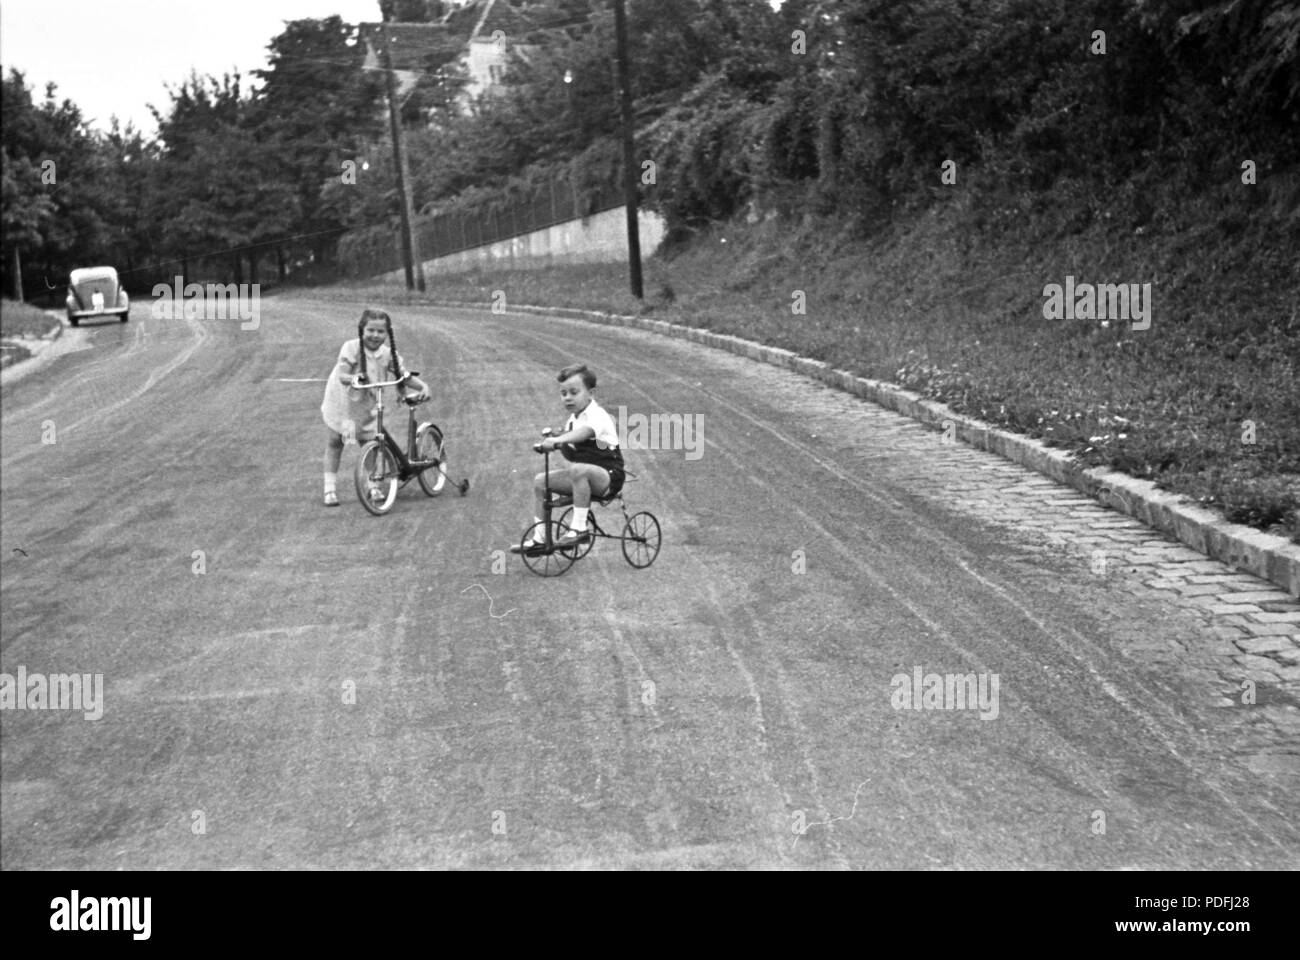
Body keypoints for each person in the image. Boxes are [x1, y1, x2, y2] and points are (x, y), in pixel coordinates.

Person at [320, 309, 429, 506]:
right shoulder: (351, 348)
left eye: (380, 332)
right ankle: (329, 489)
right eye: (370, 330)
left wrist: (422, 386)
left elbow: (403, 374)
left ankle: (374, 486)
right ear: (362, 329)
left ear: (387, 333)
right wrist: (353, 378)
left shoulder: (387, 354)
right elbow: (342, 374)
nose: (375, 336)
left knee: (370, 442)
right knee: (337, 441)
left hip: (367, 404)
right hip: (343, 401)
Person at [510, 363, 625, 552]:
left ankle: (579, 529)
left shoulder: (598, 415)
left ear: (590, 393)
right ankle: (540, 538)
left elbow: (586, 432)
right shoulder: (573, 420)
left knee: (578, 470)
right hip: (583, 477)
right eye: (564, 393)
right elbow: (572, 454)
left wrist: (559, 439)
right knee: (541, 481)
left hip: (609, 477)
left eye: (574, 392)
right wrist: (558, 443)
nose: (568, 398)